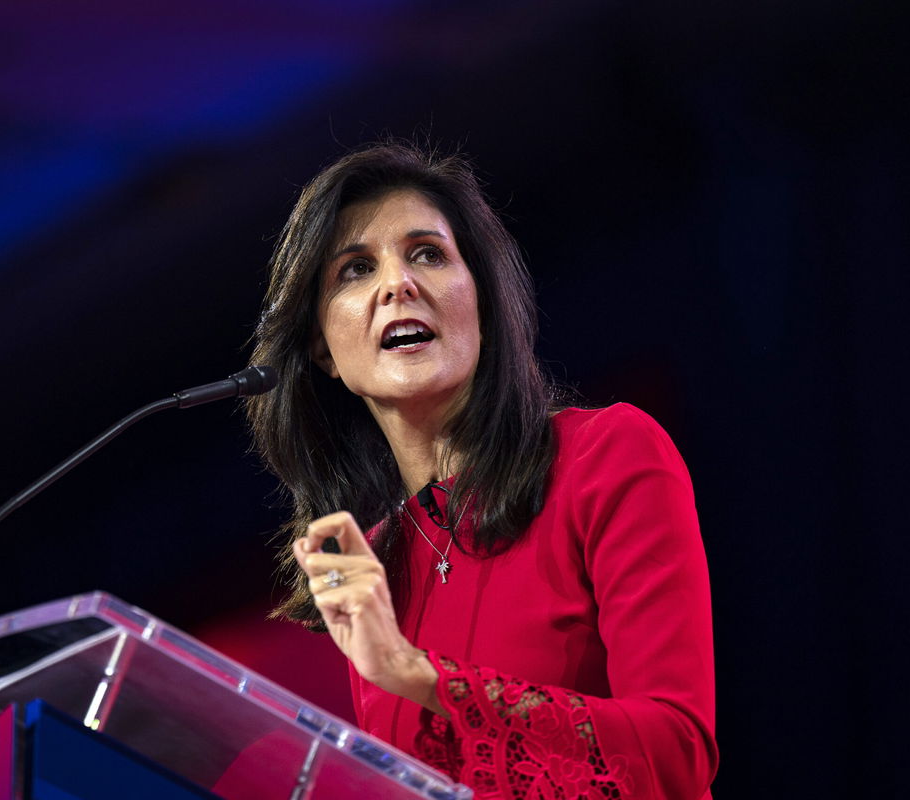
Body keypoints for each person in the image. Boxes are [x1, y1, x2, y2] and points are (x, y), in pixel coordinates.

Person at [246, 142, 717, 799]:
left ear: (483, 308)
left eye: (428, 254)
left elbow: (674, 757)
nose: (397, 284)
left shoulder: (607, 455)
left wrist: (417, 675)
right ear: (323, 348)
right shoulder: (376, 566)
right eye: (354, 269)